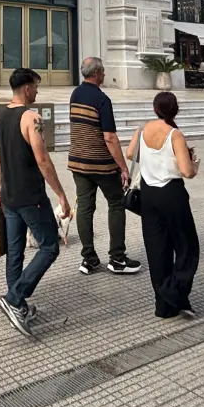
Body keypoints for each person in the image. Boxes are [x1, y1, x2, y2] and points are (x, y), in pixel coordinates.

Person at [0, 67, 71, 336]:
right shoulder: (31, 118)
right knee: (50, 247)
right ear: (27, 88)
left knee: (15, 251)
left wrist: (2, 187)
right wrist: (61, 194)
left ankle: (18, 304)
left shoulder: (0, 115)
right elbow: (43, 160)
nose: (38, 91)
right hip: (31, 196)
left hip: (10, 196)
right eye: (36, 86)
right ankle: (15, 297)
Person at [128, 91, 200, 318]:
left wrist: (153, 161)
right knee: (187, 247)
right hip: (171, 193)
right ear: (175, 109)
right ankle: (174, 293)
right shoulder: (175, 134)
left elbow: (131, 154)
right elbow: (187, 171)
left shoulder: (142, 129)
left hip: (148, 194)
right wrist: (194, 165)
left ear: (155, 108)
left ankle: (164, 306)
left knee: (157, 249)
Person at [67, 57, 141, 275]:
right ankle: (117, 258)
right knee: (116, 204)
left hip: (78, 162)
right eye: (104, 71)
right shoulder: (101, 99)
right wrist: (123, 167)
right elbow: (109, 137)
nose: (105, 74)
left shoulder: (75, 94)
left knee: (85, 208)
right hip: (101, 164)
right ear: (97, 73)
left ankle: (89, 259)